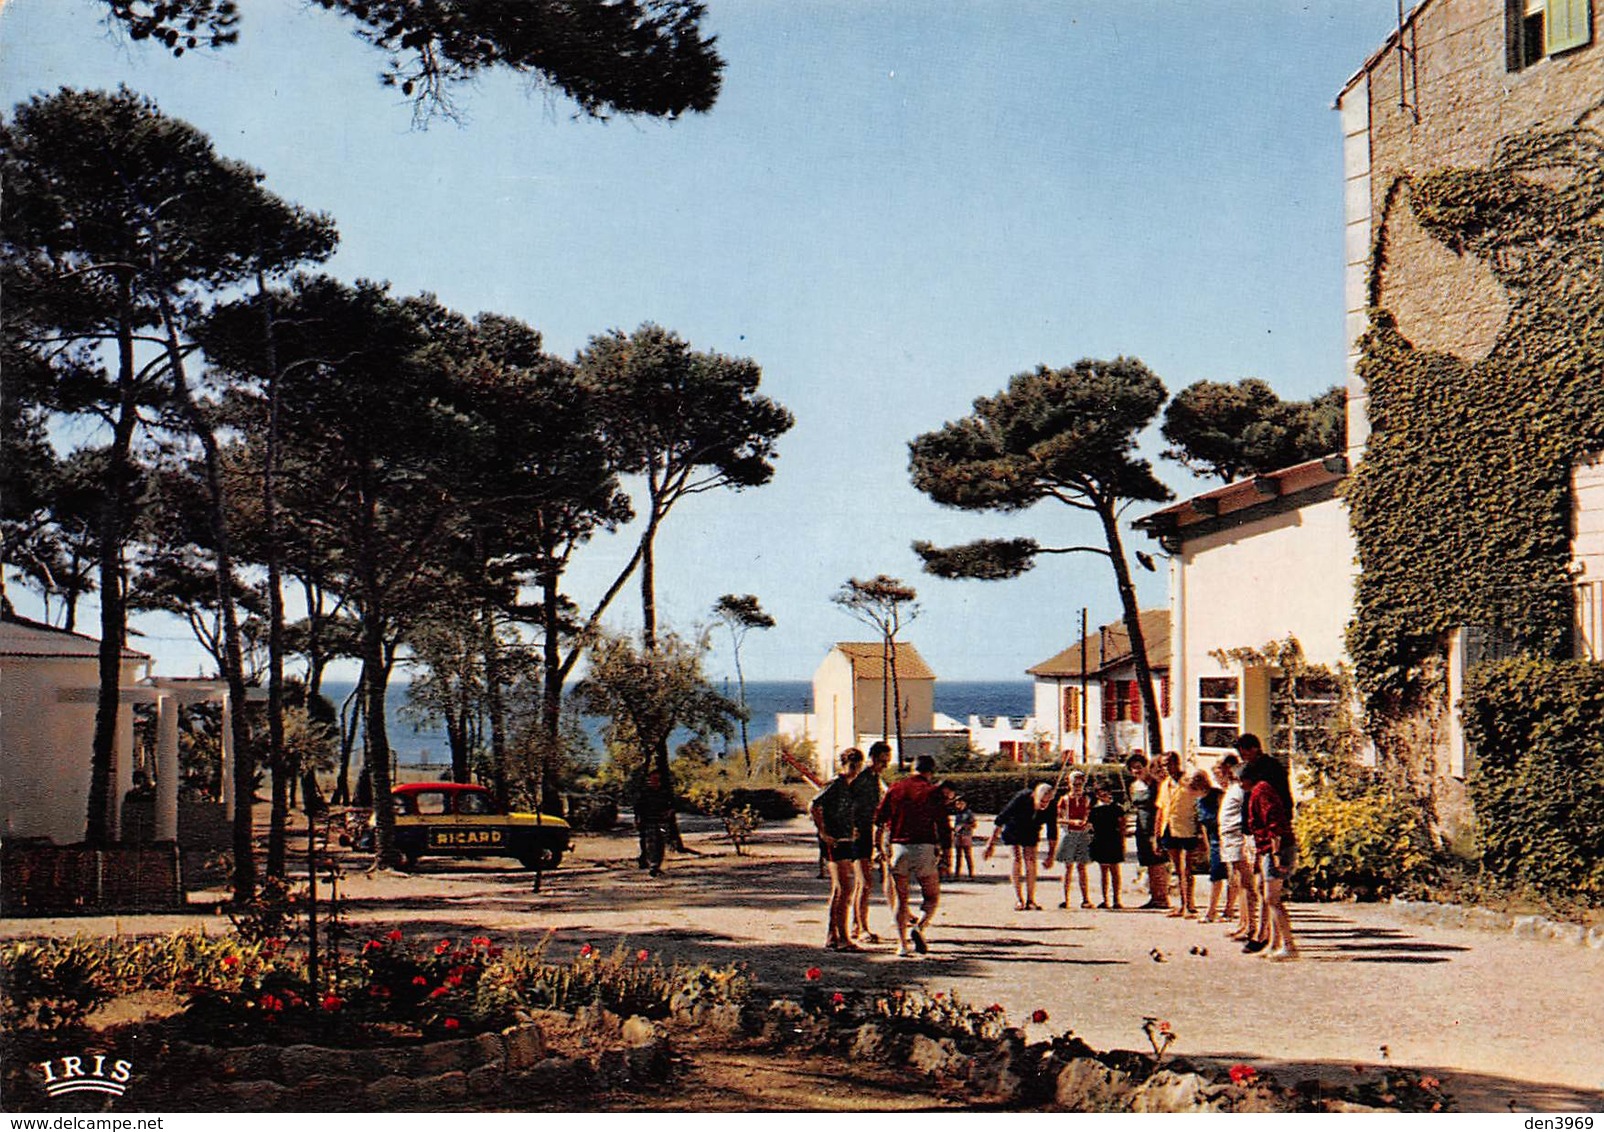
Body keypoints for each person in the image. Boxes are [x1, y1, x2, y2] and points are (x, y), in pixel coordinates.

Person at [874, 754, 949, 957]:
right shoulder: (933, 792)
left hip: (899, 848)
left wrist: (879, 846)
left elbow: (879, 819)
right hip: (925, 847)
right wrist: (947, 853)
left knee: (901, 898)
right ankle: (920, 927)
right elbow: (943, 825)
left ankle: (902, 945)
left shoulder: (895, 788)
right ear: (930, 772)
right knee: (931, 896)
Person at [1241, 756, 1300, 960]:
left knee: (1273, 899)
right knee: (1267, 896)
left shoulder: (1261, 792)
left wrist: (1276, 855)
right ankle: (1275, 943)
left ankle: (1290, 946)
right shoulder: (1259, 791)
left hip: (1277, 848)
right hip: (1268, 849)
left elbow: (1273, 824)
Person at [810, 748, 865, 951]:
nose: (855, 770)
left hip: (846, 839)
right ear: (844, 765)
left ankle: (832, 935)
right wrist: (823, 832)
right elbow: (814, 805)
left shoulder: (852, 786)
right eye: (852, 766)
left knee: (838, 890)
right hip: (834, 842)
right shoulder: (836, 783)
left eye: (858, 766)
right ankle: (843, 938)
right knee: (845, 888)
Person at [986, 782, 1058, 911]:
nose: (1044, 805)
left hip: (1032, 830)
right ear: (1035, 796)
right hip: (1013, 828)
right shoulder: (1022, 798)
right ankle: (1019, 899)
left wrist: (1051, 855)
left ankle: (1031, 899)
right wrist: (990, 845)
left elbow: (1052, 831)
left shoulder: (1051, 805)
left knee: (1031, 861)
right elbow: (1000, 819)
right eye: (1042, 801)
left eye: (1047, 802)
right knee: (1017, 859)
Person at [849, 741, 892, 942]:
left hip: (867, 833)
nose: (885, 765)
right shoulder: (862, 779)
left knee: (862, 884)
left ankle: (857, 926)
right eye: (882, 761)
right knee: (865, 883)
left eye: (887, 762)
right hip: (858, 835)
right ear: (873, 758)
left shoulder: (874, 778)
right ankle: (862, 928)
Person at [1215, 754, 1255, 939]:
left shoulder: (1241, 789)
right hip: (1228, 837)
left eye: (1223, 767)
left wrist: (1246, 840)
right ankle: (1243, 923)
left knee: (1245, 883)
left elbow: (1247, 815)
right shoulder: (1231, 788)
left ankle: (1250, 924)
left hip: (1237, 837)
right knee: (1237, 881)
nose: (1220, 771)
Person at [1156, 751, 1200, 918]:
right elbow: (1160, 810)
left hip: (1187, 828)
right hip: (1168, 828)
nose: (1166, 767)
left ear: (1177, 763)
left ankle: (1189, 904)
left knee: (1187, 868)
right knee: (1177, 869)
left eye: (1168, 764)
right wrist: (1157, 836)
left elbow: (1197, 805)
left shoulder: (1188, 782)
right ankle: (1182, 904)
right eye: (1163, 765)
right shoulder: (1165, 784)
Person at [1125, 752, 1170, 909]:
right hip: (1141, 825)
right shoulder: (1133, 786)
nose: (1136, 771)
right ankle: (1154, 896)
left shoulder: (1155, 784)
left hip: (1154, 823)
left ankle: (1162, 896)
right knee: (1148, 861)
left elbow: (1160, 806)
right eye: (1133, 769)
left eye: (1139, 767)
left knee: (1158, 861)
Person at [1054, 770, 1095, 909]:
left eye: (1080, 784)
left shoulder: (1087, 799)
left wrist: (1088, 824)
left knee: (1082, 867)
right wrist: (1072, 822)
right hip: (1069, 833)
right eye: (1075, 784)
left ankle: (1085, 898)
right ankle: (1065, 898)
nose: (1077, 787)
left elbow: (1090, 815)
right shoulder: (1064, 800)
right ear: (1069, 784)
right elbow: (1059, 819)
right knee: (1068, 868)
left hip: (1083, 834)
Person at [1192, 768, 1228, 922]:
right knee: (1216, 873)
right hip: (1212, 839)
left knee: (1227, 874)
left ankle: (1225, 909)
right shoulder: (1199, 801)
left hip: (1224, 837)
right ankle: (1213, 910)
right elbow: (1203, 826)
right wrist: (1207, 847)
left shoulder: (1218, 795)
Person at [1088, 782, 1126, 909]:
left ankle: (1117, 899)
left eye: (1105, 791)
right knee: (1103, 872)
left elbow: (1122, 826)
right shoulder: (1094, 809)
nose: (1103, 794)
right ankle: (1105, 899)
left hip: (1113, 840)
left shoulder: (1116, 808)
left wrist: (1123, 841)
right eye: (1100, 792)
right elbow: (1090, 826)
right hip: (1100, 841)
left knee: (1115, 871)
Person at [634, 770, 676, 877]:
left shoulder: (664, 792)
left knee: (661, 843)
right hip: (648, 821)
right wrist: (637, 819)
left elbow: (673, 804)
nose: (655, 781)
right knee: (651, 844)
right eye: (653, 778)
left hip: (662, 821)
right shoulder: (645, 792)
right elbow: (638, 807)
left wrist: (669, 812)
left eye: (657, 779)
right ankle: (653, 865)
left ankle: (657, 865)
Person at [950, 796, 977, 878]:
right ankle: (957, 874)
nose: (958, 805)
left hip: (966, 836)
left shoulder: (968, 813)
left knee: (968, 856)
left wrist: (964, 826)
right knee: (958, 856)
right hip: (958, 837)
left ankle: (971, 873)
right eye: (957, 804)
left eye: (960, 803)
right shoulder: (958, 814)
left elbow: (974, 824)